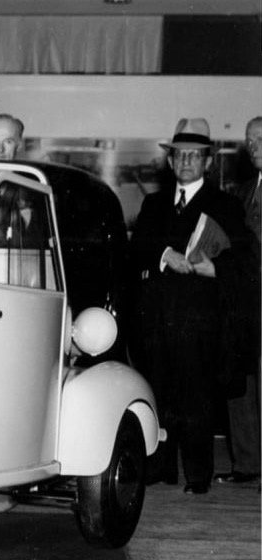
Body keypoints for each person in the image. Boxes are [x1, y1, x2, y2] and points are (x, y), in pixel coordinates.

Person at [130, 118, 256, 495]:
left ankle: (198, 476)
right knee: (158, 393)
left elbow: (244, 259)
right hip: (157, 320)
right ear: (170, 162)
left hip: (200, 321)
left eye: (194, 155)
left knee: (196, 398)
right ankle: (160, 467)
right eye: (180, 155)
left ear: (208, 162)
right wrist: (163, 254)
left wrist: (215, 268)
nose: (186, 161)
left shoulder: (226, 205)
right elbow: (136, 250)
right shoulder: (153, 204)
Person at [215, 116, 262, 486]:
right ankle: (247, 464)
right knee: (241, 383)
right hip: (243, 303)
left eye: (261, 138)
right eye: (250, 140)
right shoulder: (241, 192)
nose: (254, 145)